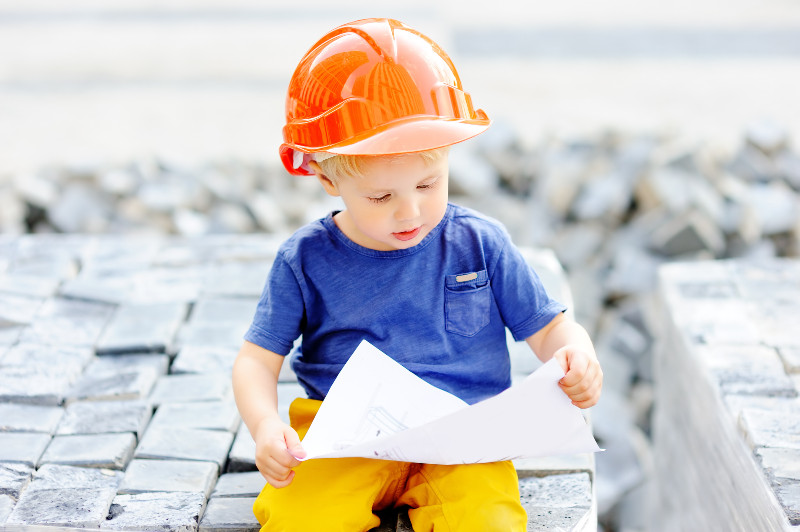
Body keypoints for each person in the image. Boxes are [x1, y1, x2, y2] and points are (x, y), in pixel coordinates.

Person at [232, 18, 602, 532]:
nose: (410, 213)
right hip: (344, 436)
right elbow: (255, 361)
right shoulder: (305, 259)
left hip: (464, 435)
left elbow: (548, 327)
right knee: (301, 521)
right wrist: (266, 427)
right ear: (325, 176)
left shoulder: (480, 241)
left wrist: (576, 354)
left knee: (489, 522)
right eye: (381, 197)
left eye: (429, 184)